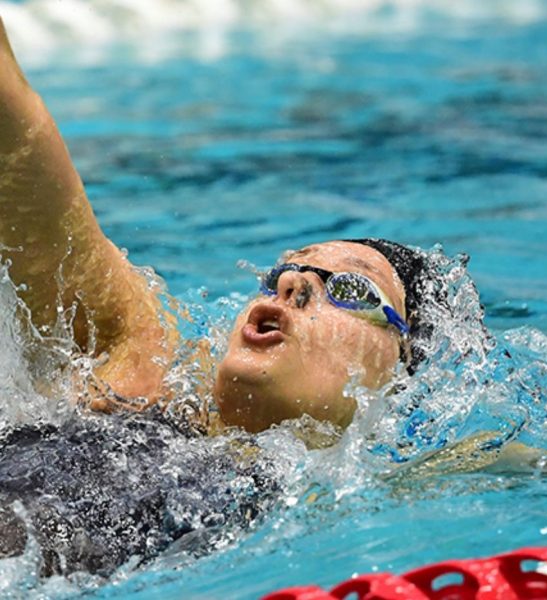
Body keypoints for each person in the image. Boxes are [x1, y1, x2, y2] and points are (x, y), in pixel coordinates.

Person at [0, 18, 414, 435]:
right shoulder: (135, 371)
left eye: (352, 289)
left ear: (400, 377)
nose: (291, 283)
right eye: (282, 271)